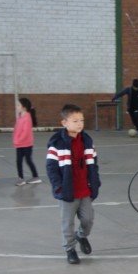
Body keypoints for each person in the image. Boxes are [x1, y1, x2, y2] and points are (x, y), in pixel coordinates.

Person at [46, 104, 101, 264]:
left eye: (81, 120)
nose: (79, 124)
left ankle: (82, 236)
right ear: (64, 123)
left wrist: (95, 183)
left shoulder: (87, 140)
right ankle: (70, 249)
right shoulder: (56, 143)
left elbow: (94, 163)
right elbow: (51, 168)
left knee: (88, 220)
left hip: (85, 190)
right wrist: (59, 187)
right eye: (75, 120)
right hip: (67, 191)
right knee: (67, 224)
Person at [13, 97, 42, 186]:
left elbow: (25, 132)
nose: (17, 107)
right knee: (18, 161)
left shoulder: (27, 118)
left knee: (28, 160)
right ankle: (21, 178)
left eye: (18, 105)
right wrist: (15, 138)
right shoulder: (20, 117)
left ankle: (36, 176)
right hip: (19, 144)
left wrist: (18, 140)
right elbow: (17, 129)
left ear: (24, 107)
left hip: (26, 144)